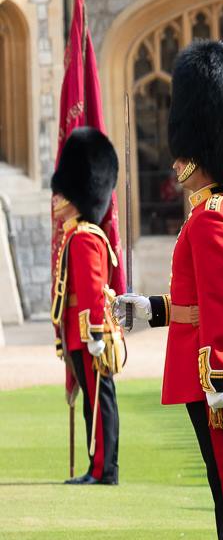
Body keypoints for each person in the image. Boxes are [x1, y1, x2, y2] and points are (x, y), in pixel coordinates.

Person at [116, 40, 223, 540]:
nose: (175, 165)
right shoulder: (217, 214)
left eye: (183, 155)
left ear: (201, 153)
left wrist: (220, 379)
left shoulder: (209, 221)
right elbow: (195, 302)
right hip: (213, 363)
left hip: (215, 369)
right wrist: (149, 310)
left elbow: (220, 311)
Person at [51, 127, 122, 485]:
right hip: (79, 333)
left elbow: (94, 290)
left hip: (89, 333)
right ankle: (98, 465)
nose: (57, 200)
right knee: (94, 405)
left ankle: (104, 470)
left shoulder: (83, 239)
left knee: (100, 403)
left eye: (62, 195)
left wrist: (95, 332)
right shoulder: (78, 235)